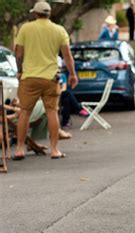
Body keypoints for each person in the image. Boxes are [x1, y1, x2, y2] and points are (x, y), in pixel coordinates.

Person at [14, 1, 78, 160]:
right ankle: (55, 150)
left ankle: (20, 148)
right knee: (52, 112)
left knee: (24, 113)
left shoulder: (26, 29)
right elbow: (67, 55)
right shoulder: (59, 30)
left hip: (29, 77)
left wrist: (20, 71)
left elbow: (18, 53)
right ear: (50, 14)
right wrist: (72, 74)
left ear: (35, 13)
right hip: (50, 77)